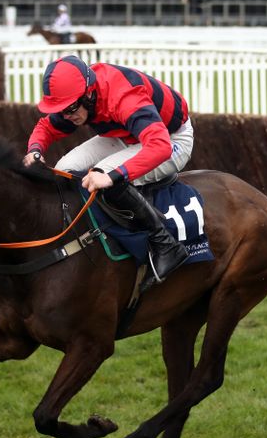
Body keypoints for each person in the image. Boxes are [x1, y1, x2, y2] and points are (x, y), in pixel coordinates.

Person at [23, 55, 192, 284]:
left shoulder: (124, 97)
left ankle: (165, 244)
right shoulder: (77, 98)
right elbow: (46, 126)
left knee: (101, 175)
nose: (67, 115)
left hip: (170, 139)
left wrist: (114, 176)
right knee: (64, 169)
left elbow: (159, 146)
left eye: (71, 108)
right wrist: (35, 150)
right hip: (126, 134)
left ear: (90, 94)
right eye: (61, 110)